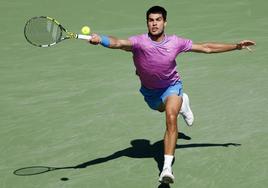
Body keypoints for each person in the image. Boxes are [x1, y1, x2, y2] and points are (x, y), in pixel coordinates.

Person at [88, 5, 255, 184]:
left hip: (172, 87)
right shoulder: (139, 42)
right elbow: (118, 43)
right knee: (163, 109)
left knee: (170, 116)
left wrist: (236, 46)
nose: (154, 24)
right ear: (147, 23)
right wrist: (102, 39)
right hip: (151, 94)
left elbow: (206, 47)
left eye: (158, 20)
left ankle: (167, 168)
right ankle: (184, 103)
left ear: (165, 22)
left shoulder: (176, 42)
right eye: (151, 20)